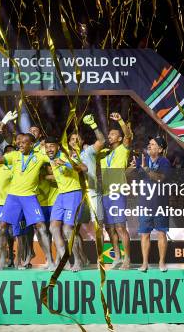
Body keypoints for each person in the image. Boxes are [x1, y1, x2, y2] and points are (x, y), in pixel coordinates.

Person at [0, 133, 54, 270]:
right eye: (20, 142)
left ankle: (51, 261)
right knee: (1, 227)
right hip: (13, 197)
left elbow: (54, 156)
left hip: (30, 197)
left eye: (24, 142)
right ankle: (1, 261)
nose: (21, 144)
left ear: (31, 144)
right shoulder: (14, 155)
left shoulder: (39, 156)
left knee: (41, 226)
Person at [44, 136, 88, 271]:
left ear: (58, 146)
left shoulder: (67, 156)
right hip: (61, 195)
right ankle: (65, 262)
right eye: (47, 146)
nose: (48, 149)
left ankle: (78, 261)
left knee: (67, 229)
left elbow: (84, 168)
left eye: (52, 146)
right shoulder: (49, 157)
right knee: (53, 228)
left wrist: (65, 163)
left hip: (73, 194)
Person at [70, 114, 106, 265]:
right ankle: (81, 259)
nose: (74, 141)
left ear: (82, 141)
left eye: (77, 138)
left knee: (98, 226)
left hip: (91, 192)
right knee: (73, 229)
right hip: (76, 195)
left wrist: (94, 125)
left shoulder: (88, 151)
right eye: (72, 139)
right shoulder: (67, 157)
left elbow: (102, 141)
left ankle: (100, 258)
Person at [99, 112, 133, 270]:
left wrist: (120, 120)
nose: (110, 136)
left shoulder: (123, 149)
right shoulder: (105, 156)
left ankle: (127, 258)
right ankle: (117, 256)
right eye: (109, 134)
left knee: (120, 227)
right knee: (110, 228)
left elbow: (128, 135)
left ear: (119, 138)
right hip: (105, 194)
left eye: (113, 134)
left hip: (118, 192)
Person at [138, 136, 171, 272]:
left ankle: (161, 262)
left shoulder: (164, 162)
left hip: (160, 203)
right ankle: (144, 263)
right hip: (144, 203)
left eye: (153, 144)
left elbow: (160, 178)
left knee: (161, 233)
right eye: (149, 143)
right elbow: (131, 176)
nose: (149, 146)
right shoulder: (141, 160)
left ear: (160, 149)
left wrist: (146, 169)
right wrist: (130, 169)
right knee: (144, 234)